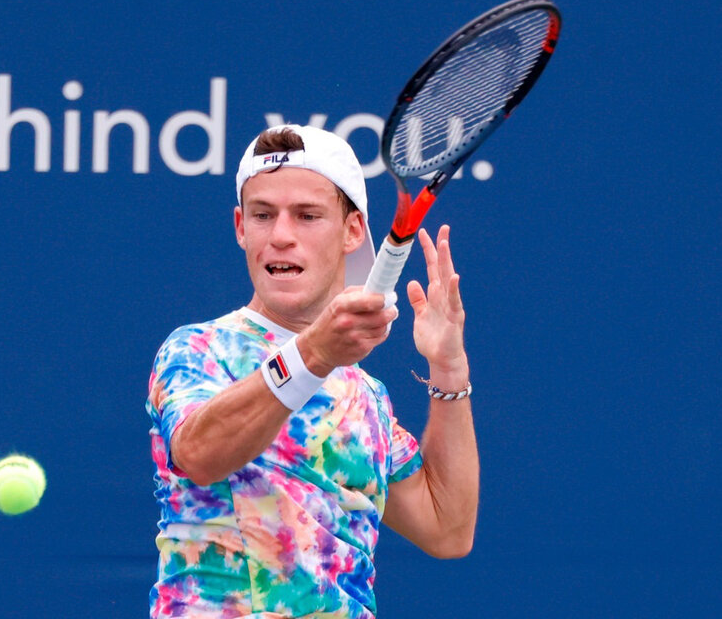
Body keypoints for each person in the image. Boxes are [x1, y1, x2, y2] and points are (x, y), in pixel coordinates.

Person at [146, 124, 479, 618]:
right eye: (263, 215)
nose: (281, 236)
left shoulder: (367, 395)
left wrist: (449, 369)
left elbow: (447, 529)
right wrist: (313, 355)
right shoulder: (196, 349)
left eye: (307, 216)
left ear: (351, 232)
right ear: (241, 226)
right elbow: (199, 453)